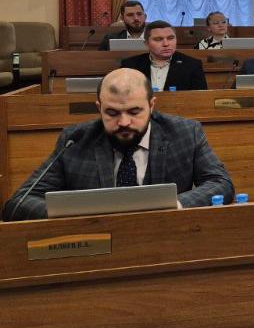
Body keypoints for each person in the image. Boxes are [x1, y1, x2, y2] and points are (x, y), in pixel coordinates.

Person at [2, 68, 233, 221]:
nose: (123, 122)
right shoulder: (75, 140)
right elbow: (19, 203)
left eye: (134, 112)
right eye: (112, 113)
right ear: (99, 107)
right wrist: (75, 215)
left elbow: (220, 183)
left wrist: (176, 205)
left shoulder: (185, 133)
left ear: (152, 105)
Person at [120, 20, 208, 91]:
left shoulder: (192, 65)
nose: (166, 44)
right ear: (146, 43)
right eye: (158, 39)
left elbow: (201, 98)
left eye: (170, 38)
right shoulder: (130, 66)